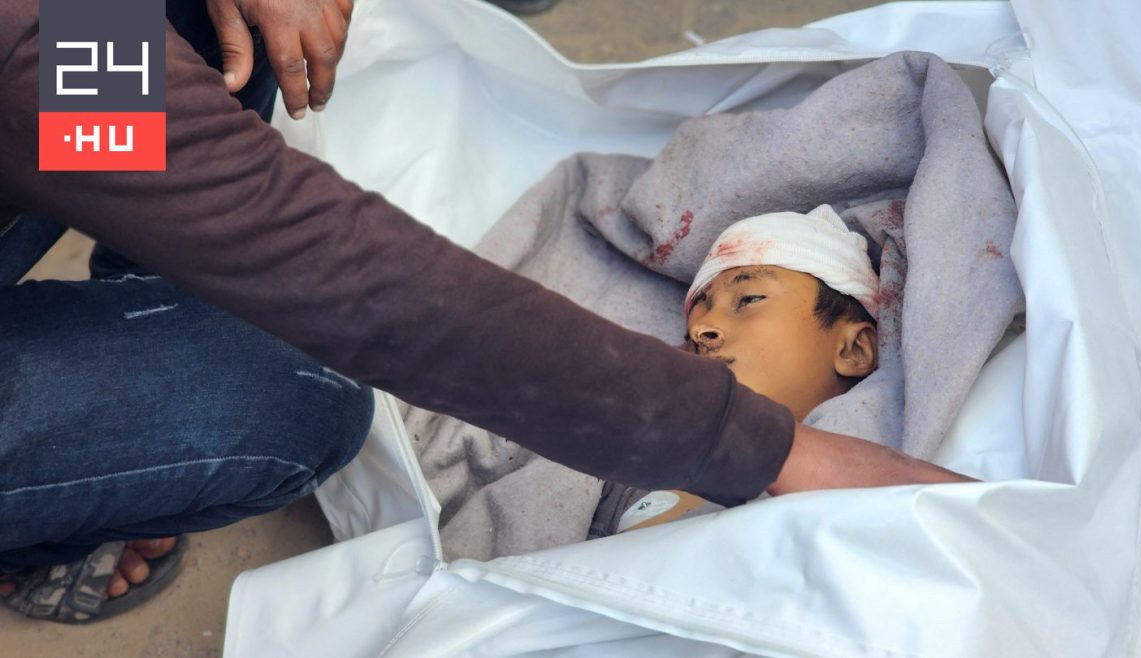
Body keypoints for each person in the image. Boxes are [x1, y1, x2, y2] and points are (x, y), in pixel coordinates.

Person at [0, 0, 967, 623]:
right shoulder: (42, 47)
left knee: (210, 32)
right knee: (291, 394)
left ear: (858, 343)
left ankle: (124, 375)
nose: (703, 328)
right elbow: (325, 264)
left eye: (746, 298)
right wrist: (750, 443)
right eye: (705, 305)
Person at [591, 206, 971, 535]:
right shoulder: (633, 470)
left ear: (853, 350)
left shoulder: (889, 481)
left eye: (748, 299)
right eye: (693, 322)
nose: (700, 330)